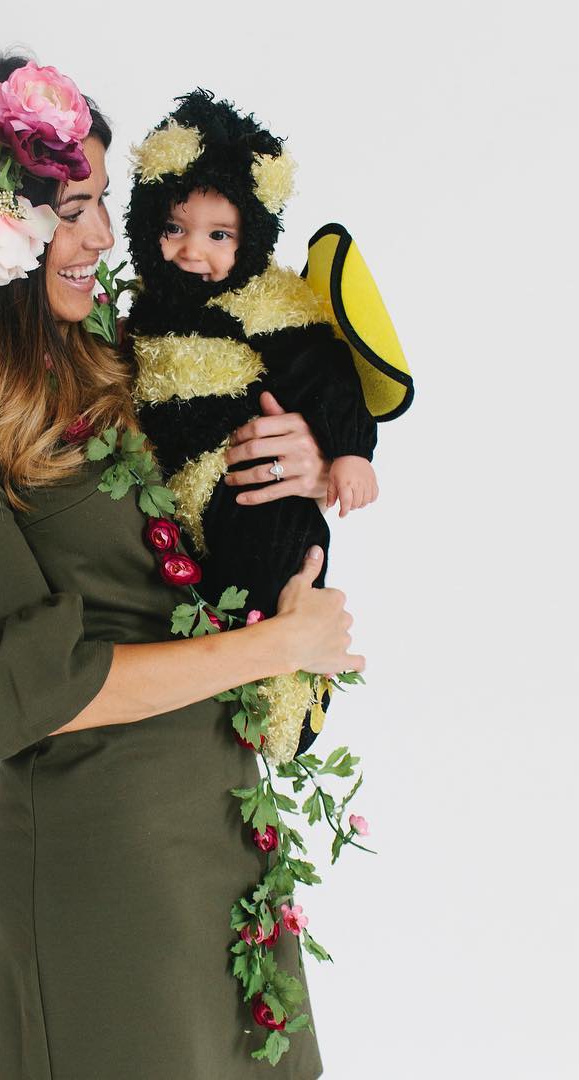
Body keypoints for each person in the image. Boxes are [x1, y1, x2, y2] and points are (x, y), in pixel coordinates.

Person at [0, 50, 360, 1079]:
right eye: (77, 206)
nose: (105, 235)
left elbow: (231, 476)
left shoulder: (115, 350)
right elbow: (40, 691)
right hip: (105, 850)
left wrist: (310, 451)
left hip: (226, 820)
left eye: (103, 203)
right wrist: (280, 645)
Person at [123, 90, 379, 759]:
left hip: (253, 487)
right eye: (173, 227)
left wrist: (345, 452)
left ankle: (292, 698)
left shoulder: (266, 302)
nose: (189, 252)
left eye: (219, 236)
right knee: (215, 602)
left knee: (277, 568)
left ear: (253, 236)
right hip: (187, 493)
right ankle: (247, 686)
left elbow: (328, 376)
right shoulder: (141, 312)